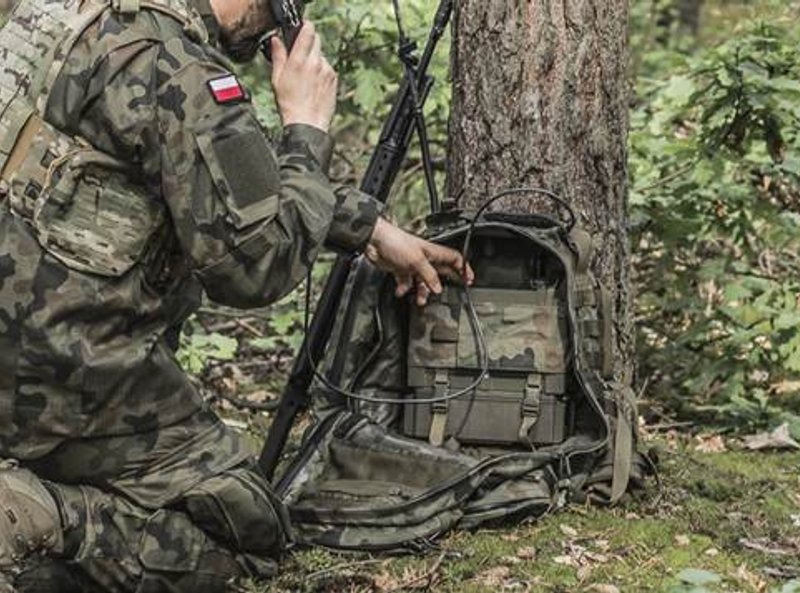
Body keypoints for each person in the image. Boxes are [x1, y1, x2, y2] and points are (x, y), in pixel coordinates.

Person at [0, 0, 472, 590]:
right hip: (67, 382)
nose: (277, 29)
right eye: (279, 10)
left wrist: (366, 226)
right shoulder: (182, 69)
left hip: (21, 350)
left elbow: (205, 163)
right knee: (242, 532)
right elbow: (254, 266)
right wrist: (306, 129)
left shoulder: (65, 12)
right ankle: (40, 515)